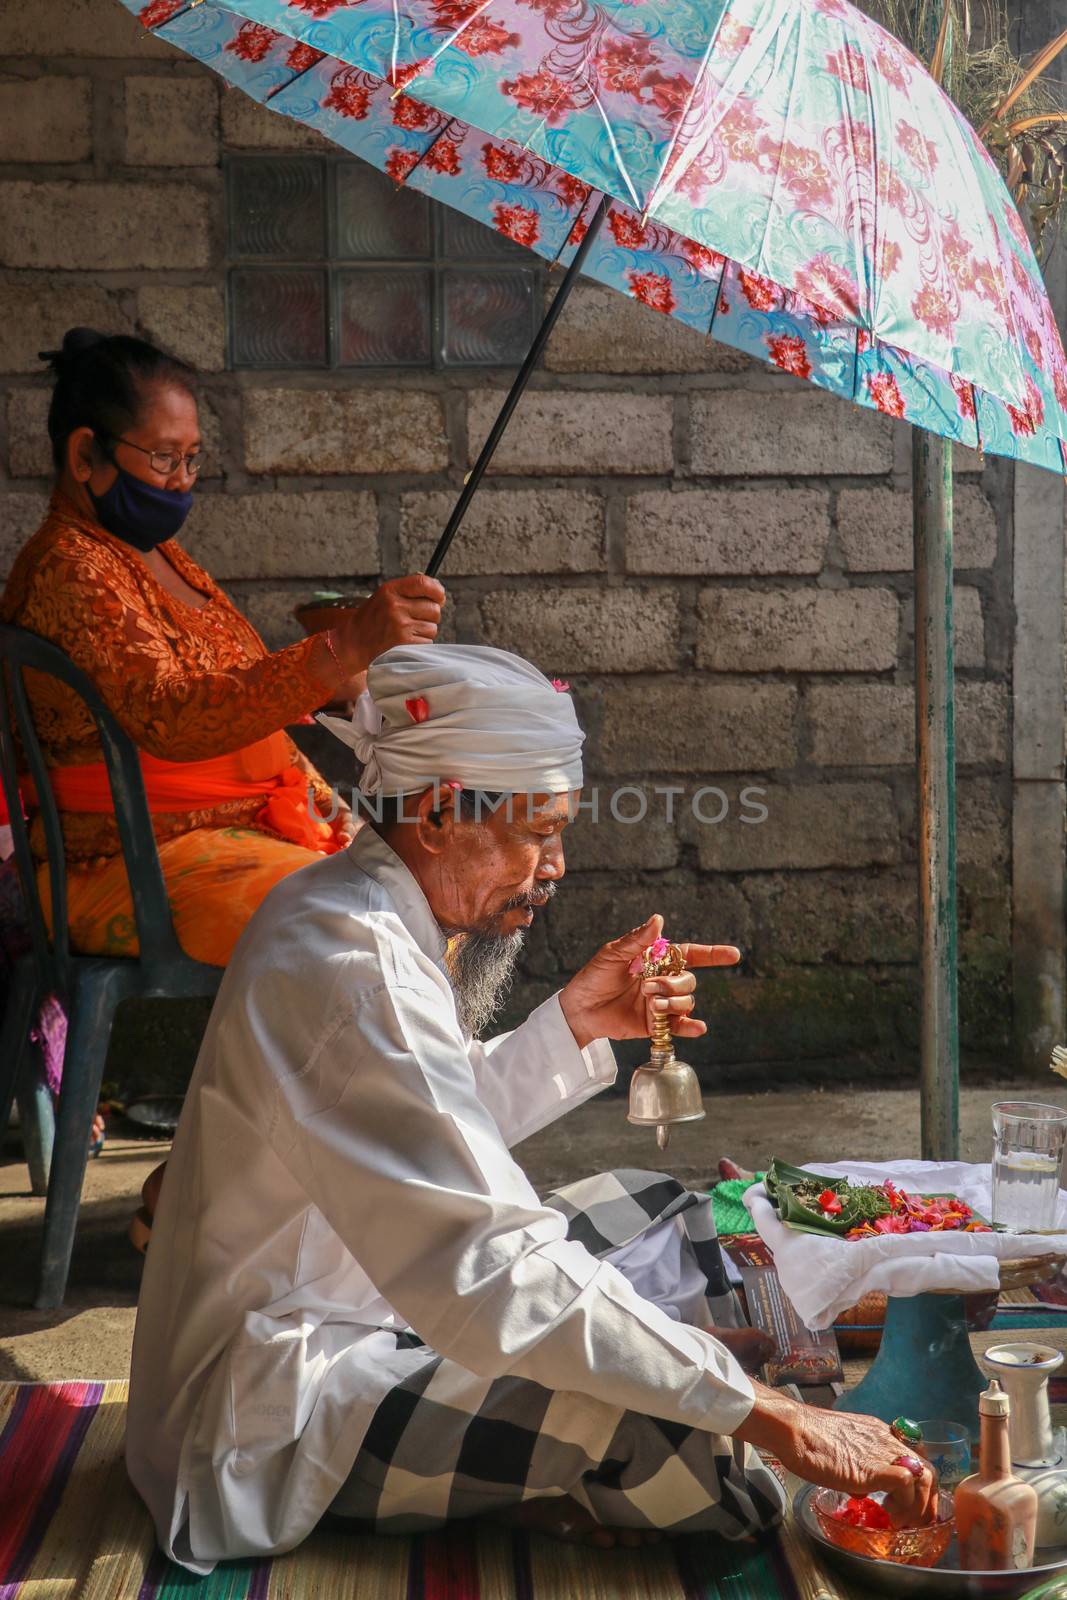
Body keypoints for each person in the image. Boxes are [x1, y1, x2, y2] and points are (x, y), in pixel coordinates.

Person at [126, 645, 936, 1572]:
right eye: (536, 833)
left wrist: (575, 1024)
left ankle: (564, 1458)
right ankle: (550, 1480)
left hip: (377, 1297)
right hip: (276, 1400)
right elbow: (491, 1267)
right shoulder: (350, 965)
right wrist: (774, 1413)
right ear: (435, 814)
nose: (554, 867)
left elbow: (431, 1128)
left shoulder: (353, 912)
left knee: (658, 1207)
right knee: (706, 1454)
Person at [0, 327, 444, 969]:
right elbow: (174, 719)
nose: (181, 482)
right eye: (163, 458)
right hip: (128, 860)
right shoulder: (68, 568)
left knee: (427, 898)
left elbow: (240, 689)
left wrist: (346, 675)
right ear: (83, 456)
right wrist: (341, 646)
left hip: (236, 833)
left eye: (192, 459)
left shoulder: (153, 555)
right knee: (367, 931)